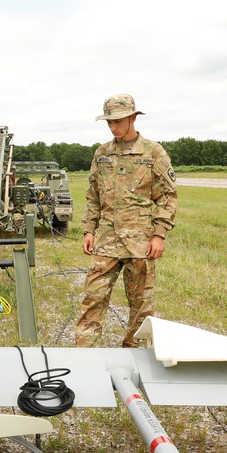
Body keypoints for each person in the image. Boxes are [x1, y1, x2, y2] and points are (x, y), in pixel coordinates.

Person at [75, 94, 178, 348]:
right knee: (93, 298)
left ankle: (135, 355)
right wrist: (88, 230)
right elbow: (93, 196)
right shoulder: (102, 154)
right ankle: (84, 354)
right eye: (109, 122)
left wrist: (159, 235)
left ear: (133, 117)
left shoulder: (153, 153)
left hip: (140, 244)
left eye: (118, 121)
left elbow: (167, 196)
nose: (113, 127)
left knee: (141, 305)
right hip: (106, 242)